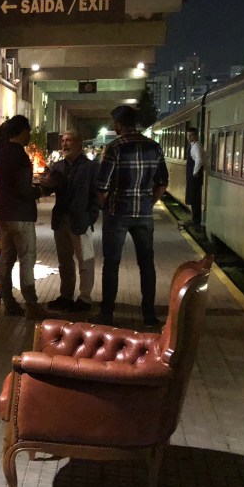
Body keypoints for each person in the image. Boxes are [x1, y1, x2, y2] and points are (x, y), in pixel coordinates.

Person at [94, 105, 169, 328]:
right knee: (146, 264)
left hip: (117, 213)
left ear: (118, 124)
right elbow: (162, 182)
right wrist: (149, 203)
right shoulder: (154, 147)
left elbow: (101, 184)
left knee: (111, 263)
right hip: (144, 215)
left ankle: (107, 314)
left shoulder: (115, 147)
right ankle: (149, 316)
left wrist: (104, 204)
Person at [0, 116, 49, 320]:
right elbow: (24, 189)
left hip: (4, 214)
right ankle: (31, 304)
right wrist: (42, 190)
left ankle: (8, 299)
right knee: (27, 259)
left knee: (6, 259)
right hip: (21, 215)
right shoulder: (20, 156)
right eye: (29, 131)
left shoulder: (0, 153)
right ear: (22, 131)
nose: (30, 135)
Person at [44, 130, 99, 313]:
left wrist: (90, 217)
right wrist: (44, 183)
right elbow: (48, 189)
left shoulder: (91, 167)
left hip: (81, 220)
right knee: (65, 261)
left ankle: (85, 298)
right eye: (63, 141)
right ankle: (66, 296)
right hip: (61, 220)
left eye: (69, 140)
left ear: (79, 144)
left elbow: (97, 195)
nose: (65, 144)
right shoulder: (57, 166)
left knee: (85, 260)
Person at [185, 127, 206, 227]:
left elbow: (199, 160)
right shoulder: (193, 145)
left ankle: (196, 221)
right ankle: (194, 219)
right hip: (193, 176)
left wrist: (194, 172)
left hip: (195, 177)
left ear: (196, 135)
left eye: (191, 135)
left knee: (195, 198)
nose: (189, 137)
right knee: (193, 198)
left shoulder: (196, 146)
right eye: (187, 135)